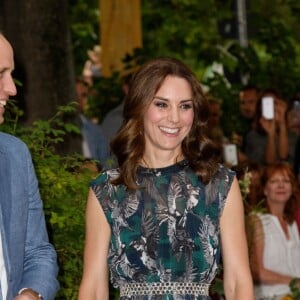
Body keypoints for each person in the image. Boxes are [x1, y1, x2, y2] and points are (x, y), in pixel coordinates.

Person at [78, 57, 254, 299]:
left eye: (185, 106)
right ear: (139, 107)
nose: (174, 118)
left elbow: (238, 283)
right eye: (161, 104)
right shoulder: (107, 190)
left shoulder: (218, 184)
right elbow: (94, 288)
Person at [0, 33, 59, 299]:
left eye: (10, 74)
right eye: (0, 74)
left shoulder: (14, 155)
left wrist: (32, 292)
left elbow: (37, 251)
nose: (12, 89)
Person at [246, 162, 300, 300]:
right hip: (270, 296)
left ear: (292, 188)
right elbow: (256, 272)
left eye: (286, 181)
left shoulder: (291, 223)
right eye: (274, 181)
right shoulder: (256, 220)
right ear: (264, 189)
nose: (281, 185)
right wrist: (294, 282)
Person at [76, 76, 109, 169]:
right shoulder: (56, 127)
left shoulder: (95, 130)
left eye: (83, 95)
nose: (79, 100)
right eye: (75, 95)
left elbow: (106, 164)